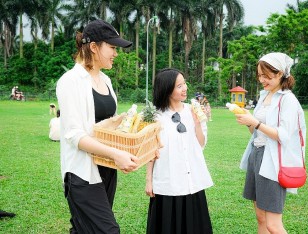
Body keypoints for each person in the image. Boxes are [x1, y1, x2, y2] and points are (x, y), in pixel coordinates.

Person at [56, 19, 139, 233]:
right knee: (108, 230)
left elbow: (101, 127)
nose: (116, 53)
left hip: (107, 168)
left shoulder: (106, 81)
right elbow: (75, 135)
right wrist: (115, 153)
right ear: (93, 47)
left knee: (84, 229)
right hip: (82, 173)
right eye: (112, 47)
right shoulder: (70, 81)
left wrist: (124, 125)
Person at [234, 52, 306, 233]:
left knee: (273, 224)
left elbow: (283, 135)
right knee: (260, 218)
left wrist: (256, 122)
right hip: (256, 154)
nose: (261, 79)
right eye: (259, 75)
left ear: (280, 73)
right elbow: (255, 130)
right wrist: (248, 121)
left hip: (273, 161)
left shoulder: (288, 100)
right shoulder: (265, 95)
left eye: (266, 75)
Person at [145, 68, 214, 234]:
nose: (185, 89)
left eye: (184, 84)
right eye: (179, 86)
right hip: (167, 181)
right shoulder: (155, 116)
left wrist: (197, 122)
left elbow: (201, 144)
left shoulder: (193, 111)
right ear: (167, 89)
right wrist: (149, 180)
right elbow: (150, 150)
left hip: (192, 182)